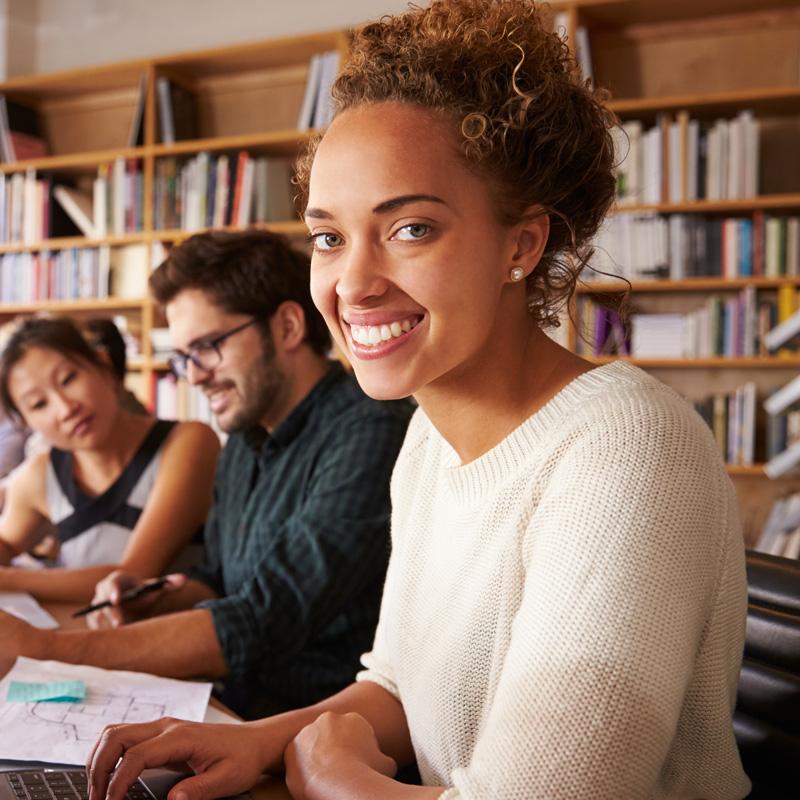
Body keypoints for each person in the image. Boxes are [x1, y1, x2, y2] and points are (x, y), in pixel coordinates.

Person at [86, 2, 750, 798]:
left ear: (521, 244)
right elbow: (399, 687)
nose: (353, 284)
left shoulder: (625, 448)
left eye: (409, 229)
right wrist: (258, 742)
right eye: (329, 237)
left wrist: (334, 779)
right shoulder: (430, 439)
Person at [0, 229, 412, 720]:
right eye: (183, 357)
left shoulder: (369, 431)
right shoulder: (242, 439)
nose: (193, 375)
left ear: (286, 326)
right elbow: (218, 577)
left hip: (318, 730)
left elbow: (267, 613)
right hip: (228, 705)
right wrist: (153, 595)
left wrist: (48, 649)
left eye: (208, 347)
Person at [0, 316, 218, 602]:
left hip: (181, 642)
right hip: (79, 642)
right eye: (39, 404)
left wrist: (7, 579)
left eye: (69, 379)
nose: (66, 409)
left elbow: (134, 574)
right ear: (26, 422)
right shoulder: (40, 476)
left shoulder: (188, 442)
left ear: (103, 366)